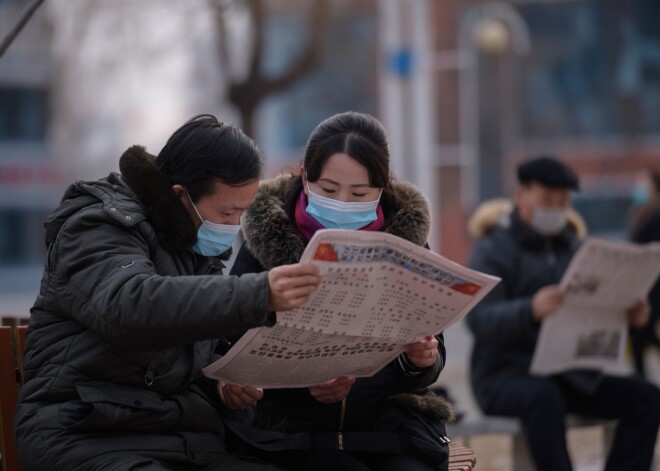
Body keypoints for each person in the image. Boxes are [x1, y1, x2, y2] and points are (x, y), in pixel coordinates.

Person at [14, 114, 321, 471]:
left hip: (181, 437)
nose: (233, 227)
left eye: (241, 213)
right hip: (87, 433)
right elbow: (132, 306)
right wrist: (258, 294)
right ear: (180, 195)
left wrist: (221, 387)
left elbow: (177, 357)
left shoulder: (195, 249)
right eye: (226, 212)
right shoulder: (97, 224)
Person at [228, 111, 453, 471]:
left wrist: (419, 360)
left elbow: (433, 354)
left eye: (360, 193)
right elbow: (234, 349)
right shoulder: (264, 242)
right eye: (329, 191)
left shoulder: (404, 243)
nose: (344, 204)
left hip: (389, 427)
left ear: (382, 188)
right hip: (295, 434)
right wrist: (306, 386)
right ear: (305, 176)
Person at [465, 155, 660, 471]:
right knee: (544, 398)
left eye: (562, 202)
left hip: (569, 374)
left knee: (647, 398)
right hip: (504, 377)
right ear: (521, 195)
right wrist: (530, 310)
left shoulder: (574, 247)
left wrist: (632, 318)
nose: (554, 209)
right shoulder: (493, 248)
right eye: (546, 200)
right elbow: (479, 317)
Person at [628, 168, 660, 378]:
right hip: (643, 285)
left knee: (641, 334)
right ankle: (641, 379)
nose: (639, 188)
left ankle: (641, 380)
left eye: (643, 183)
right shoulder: (642, 214)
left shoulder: (655, 217)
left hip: (654, 287)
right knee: (642, 336)